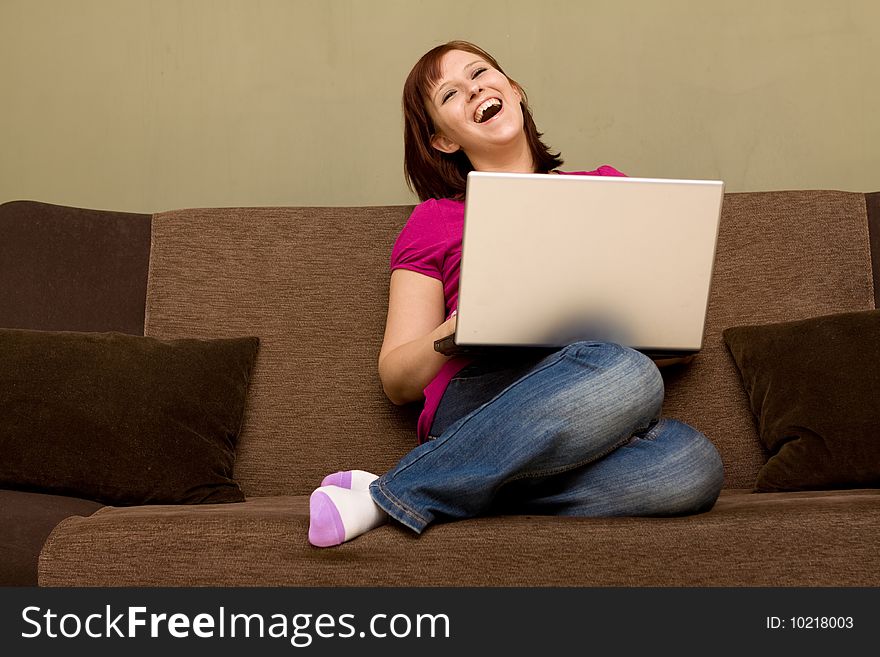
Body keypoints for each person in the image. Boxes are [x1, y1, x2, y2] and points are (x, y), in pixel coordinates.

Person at [307, 40, 724, 548]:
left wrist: (658, 334)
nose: (475, 88)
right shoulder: (434, 221)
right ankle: (409, 492)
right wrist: (453, 330)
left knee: (691, 463)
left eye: (481, 72)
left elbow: (667, 339)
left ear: (514, 90)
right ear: (442, 140)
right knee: (627, 371)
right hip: (483, 396)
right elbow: (397, 381)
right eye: (451, 94)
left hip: (591, 396)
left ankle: (405, 489)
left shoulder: (607, 187)